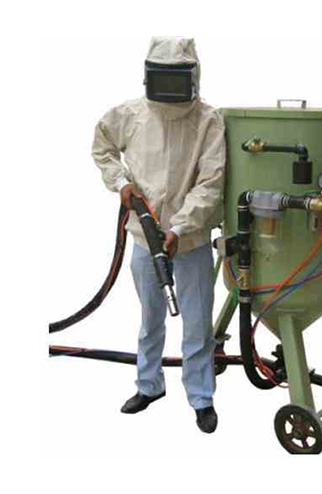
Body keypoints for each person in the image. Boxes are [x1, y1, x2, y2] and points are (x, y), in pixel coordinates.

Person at [92, 37, 225, 433]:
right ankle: (149, 386)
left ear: (192, 77)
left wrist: (180, 227)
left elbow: (211, 183)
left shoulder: (209, 121)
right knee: (150, 319)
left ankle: (201, 397)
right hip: (143, 239)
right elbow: (102, 146)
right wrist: (121, 183)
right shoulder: (131, 115)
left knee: (197, 324)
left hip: (191, 242)